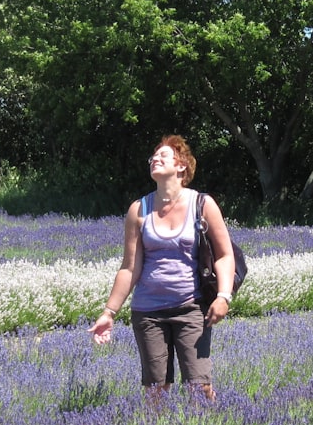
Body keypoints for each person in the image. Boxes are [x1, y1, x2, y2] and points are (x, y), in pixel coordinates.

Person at [88, 134, 236, 401]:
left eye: (163, 155)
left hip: (192, 307)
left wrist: (224, 296)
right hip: (148, 312)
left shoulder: (203, 204)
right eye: (153, 157)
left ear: (181, 166)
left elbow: (224, 255)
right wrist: (109, 313)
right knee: (156, 390)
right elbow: (129, 267)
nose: (155, 159)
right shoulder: (139, 209)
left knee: (199, 387)